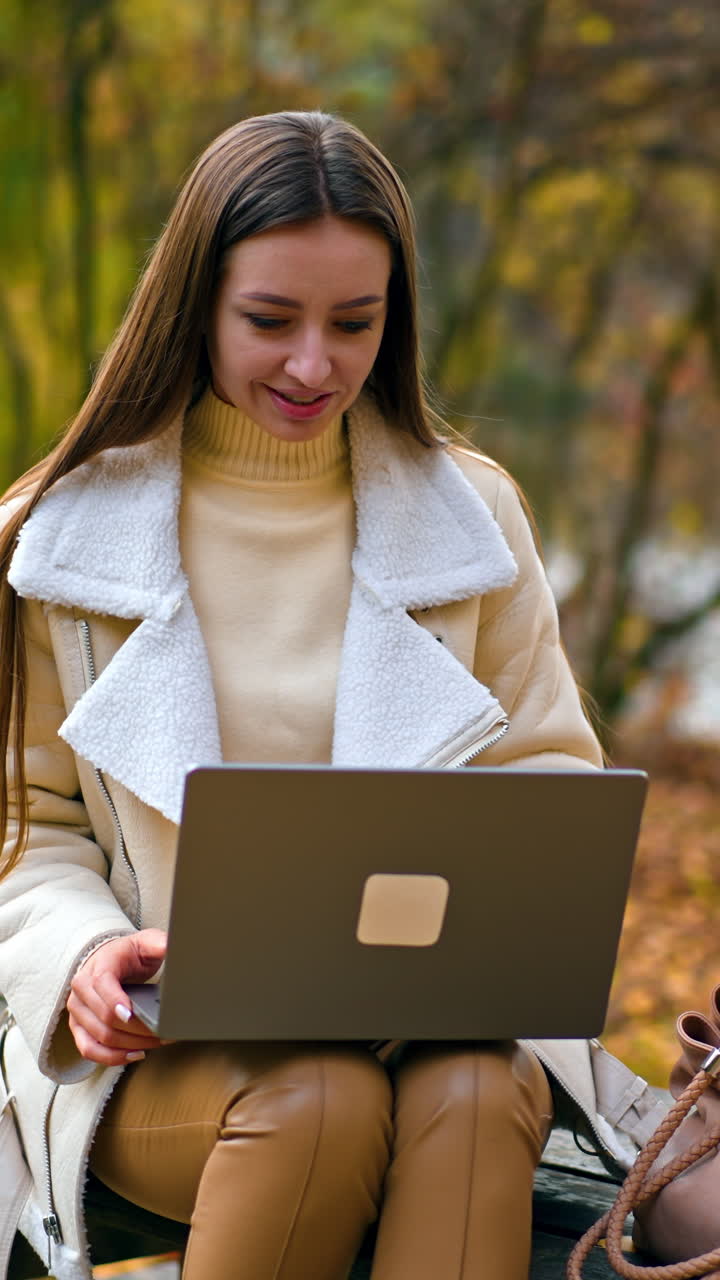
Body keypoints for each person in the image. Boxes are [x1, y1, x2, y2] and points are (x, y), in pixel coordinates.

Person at [0, 110, 624, 1280]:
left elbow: (548, 786)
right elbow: (21, 826)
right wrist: (85, 957)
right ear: (196, 305)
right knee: (316, 1095)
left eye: (355, 323)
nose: (312, 364)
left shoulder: (471, 517)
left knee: (483, 1090)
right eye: (269, 320)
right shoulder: (56, 540)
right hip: (159, 1057)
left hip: (430, 1024)